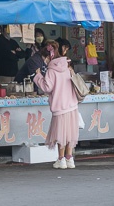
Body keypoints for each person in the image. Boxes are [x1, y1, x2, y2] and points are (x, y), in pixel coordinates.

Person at [32, 40, 79, 169]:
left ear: (49, 56)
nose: (44, 61)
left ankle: (61, 159)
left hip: (60, 106)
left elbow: (47, 87)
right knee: (69, 133)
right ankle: (70, 159)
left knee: (61, 134)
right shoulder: (68, 66)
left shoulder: (51, 70)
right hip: (72, 105)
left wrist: (38, 76)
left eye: (44, 58)